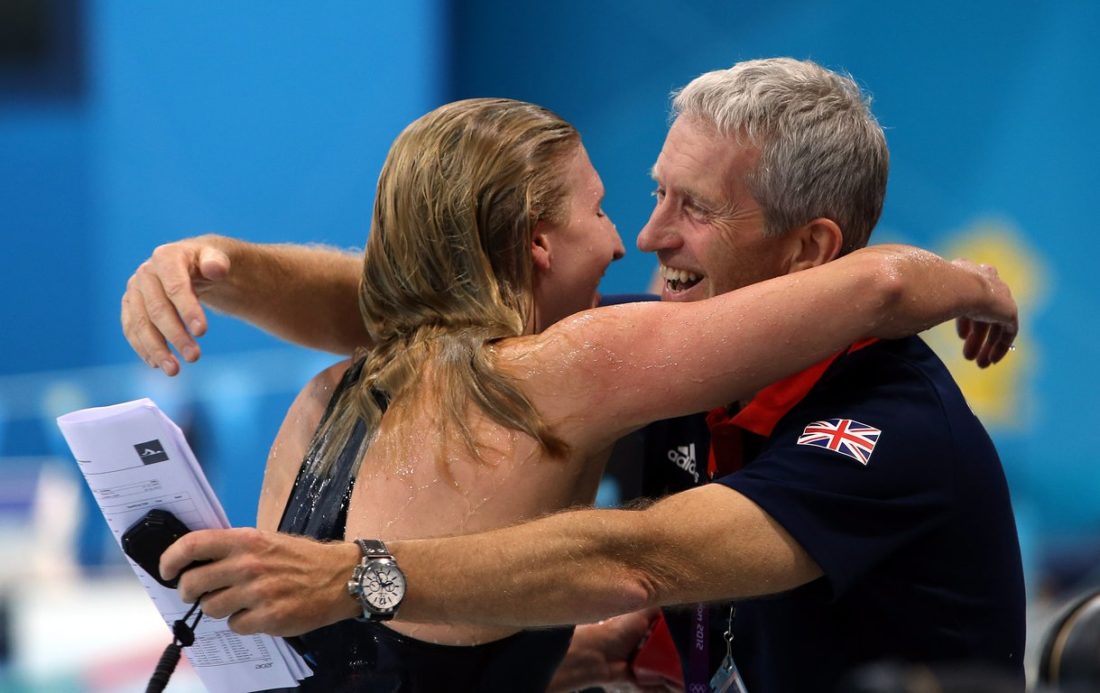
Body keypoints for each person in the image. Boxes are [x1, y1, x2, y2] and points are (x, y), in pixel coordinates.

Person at [126, 60, 1023, 691]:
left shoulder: (896, 428)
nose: (647, 235)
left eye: (694, 207)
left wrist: (358, 576)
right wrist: (224, 266)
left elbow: (637, 558)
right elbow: (416, 296)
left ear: (809, 251)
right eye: (644, 193)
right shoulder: (649, 353)